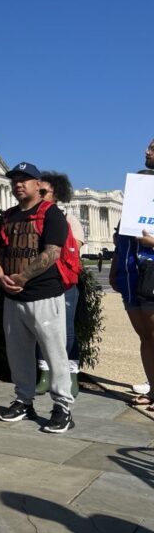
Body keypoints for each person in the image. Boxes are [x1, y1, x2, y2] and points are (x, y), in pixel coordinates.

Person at [0, 162, 74, 434]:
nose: (18, 184)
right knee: (18, 353)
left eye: (24, 179)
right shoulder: (8, 216)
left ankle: (62, 405)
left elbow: (52, 252)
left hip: (43, 294)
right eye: (15, 180)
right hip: (12, 296)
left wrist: (22, 277)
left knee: (54, 352)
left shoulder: (51, 214)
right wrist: (1, 275)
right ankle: (23, 399)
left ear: (38, 184)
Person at [110, 139, 154, 408]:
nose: (146, 151)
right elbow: (121, 238)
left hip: (153, 270)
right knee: (145, 337)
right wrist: (116, 267)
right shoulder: (136, 195)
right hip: (130, 272)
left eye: (153, 148)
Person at [35, 172, 85, 397]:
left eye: (43, 191)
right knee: (41, 329)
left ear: (56, 193)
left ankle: (70, 374)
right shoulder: (31, 217)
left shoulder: (68, 218)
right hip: (40, 282)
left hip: (64, 281)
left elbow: (74, 250)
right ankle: (45, 374)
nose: (39, 195)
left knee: (67, 330)